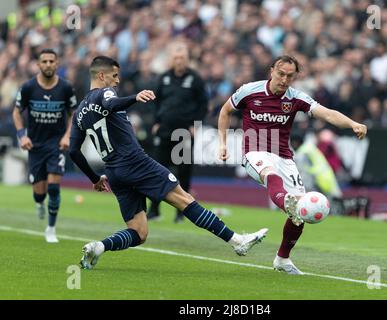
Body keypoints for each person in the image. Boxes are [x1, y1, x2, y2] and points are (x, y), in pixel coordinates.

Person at [69, 56, 267, 269]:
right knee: (184, 199)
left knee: (139, 232)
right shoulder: (105, 92)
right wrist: (135, 97)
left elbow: (73, 151)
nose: (117, 81)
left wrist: (95, 178)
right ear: (101, 75)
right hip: (135, 163)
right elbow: (110, 102)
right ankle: (238, 241)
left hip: (114, 171)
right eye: (114, 75)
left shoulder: (80, 112)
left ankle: (99, 246)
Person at [218, 55, 367, 275]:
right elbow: (225, 111)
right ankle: (286, 200)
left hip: (285, 157)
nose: (284, 80)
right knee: (271, 174)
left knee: (300, 214)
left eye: (290, 76)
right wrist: (222, 143)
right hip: (255, 152)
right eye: (281, 74)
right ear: (271, 71)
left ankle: (282, 259)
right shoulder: (250, 91)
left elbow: (326, 114)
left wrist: (352, 123)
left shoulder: (296, 98)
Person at [12, 48, 77, 243]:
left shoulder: (65, 88)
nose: (48, 64)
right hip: (35, 146)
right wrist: (22, 136)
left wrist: (67, 136)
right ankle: (39, 203)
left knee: (54, 188)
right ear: (38, 65)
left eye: (51, 61)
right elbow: (16, 112)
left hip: (56, 145)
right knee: (39, 193)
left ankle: (51, 228)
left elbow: (73, 114)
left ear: (57, 64)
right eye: (44, 61)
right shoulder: (28, 87)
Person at [147, 42, 208, 223]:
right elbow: (154, 102)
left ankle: (182, 212)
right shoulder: (163, 78)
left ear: (187, 59)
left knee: (183, 172)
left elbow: (203, 105)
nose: (179, 61)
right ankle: (154, 209)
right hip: (164, 129)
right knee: (158, 170)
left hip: (184, 132)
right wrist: (156, 122)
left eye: (182, 58)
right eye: (176, 57)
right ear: (171, 59)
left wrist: (195, 125)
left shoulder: (195, 79)